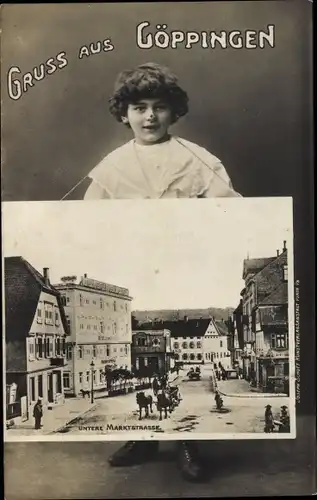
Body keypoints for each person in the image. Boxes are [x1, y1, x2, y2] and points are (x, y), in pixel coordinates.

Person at [84, 62, 241, 200]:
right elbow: (88, 219)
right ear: (125, 115)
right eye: (140, 108)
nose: (151, 115)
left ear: (172, 111)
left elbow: (230, 210)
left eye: (159, 107)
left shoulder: (198, 159)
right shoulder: (113, 165)